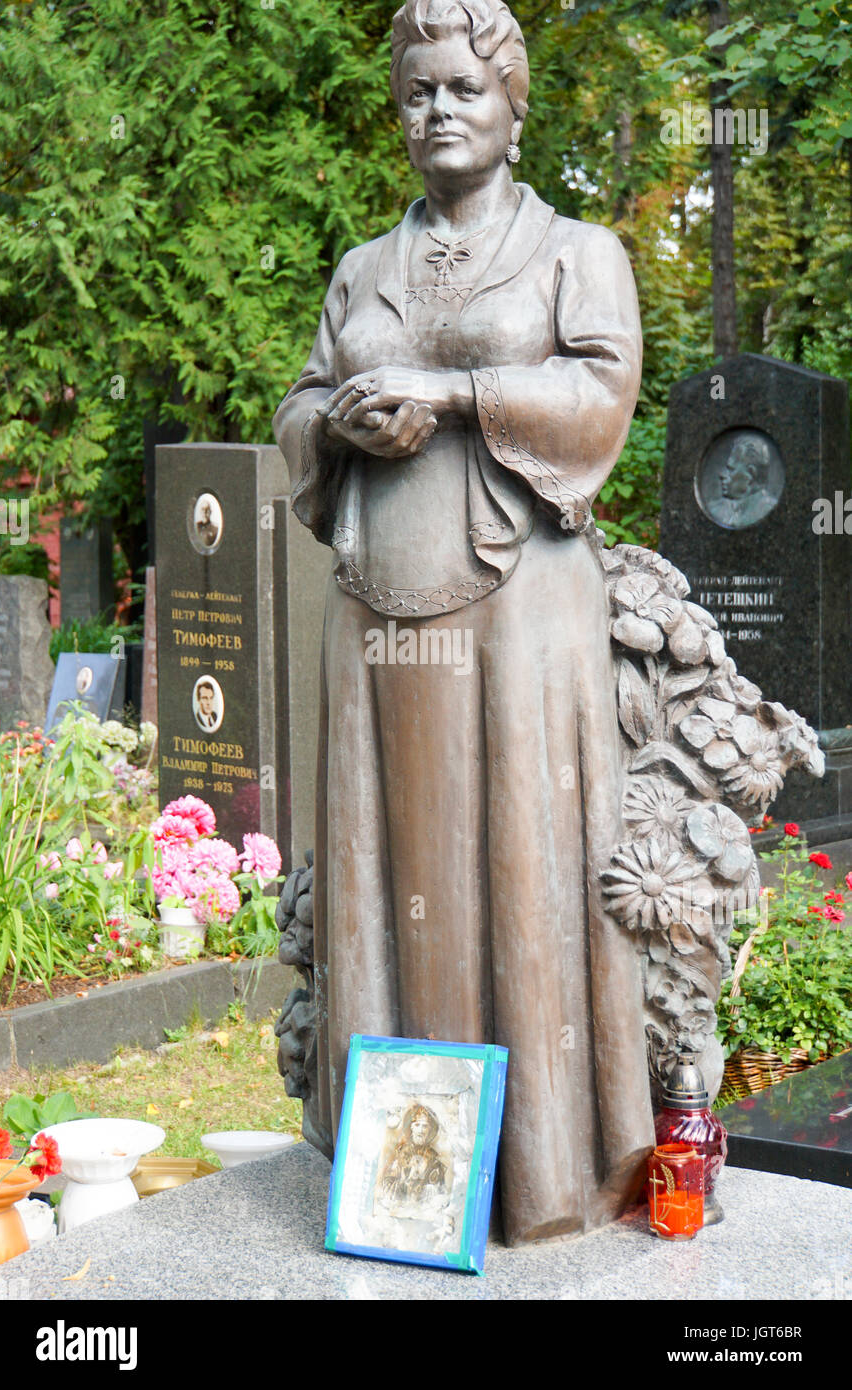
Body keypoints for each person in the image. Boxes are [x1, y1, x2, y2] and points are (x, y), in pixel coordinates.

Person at [274, 0, 654, 1245]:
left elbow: (599, 394)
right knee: (388, 866)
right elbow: (300, 404)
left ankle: (542, 1173)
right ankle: (399, 1187)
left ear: (511, 104)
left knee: (520, 860)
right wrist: (333, 424)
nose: (436, 110)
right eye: (415, 93)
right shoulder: (357, 271)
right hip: (377, 623)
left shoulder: (575, 250)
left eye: (459, 89)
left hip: (519, 617)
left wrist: (453, 391)